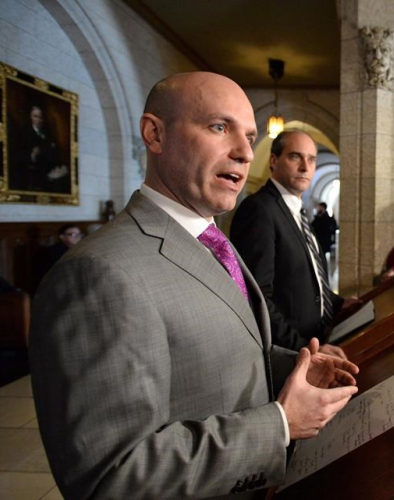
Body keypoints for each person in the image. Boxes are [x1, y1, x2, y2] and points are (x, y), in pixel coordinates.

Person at [29, 72, 359, 500]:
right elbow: (112, 476)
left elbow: (212, 351)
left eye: (250, 136)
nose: (244, 153)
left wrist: (290, 367)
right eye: (219, 128)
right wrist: (279, 424)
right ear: (155, 134)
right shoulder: (97, 273)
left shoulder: (211, 238)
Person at [231, 131, 356, 357]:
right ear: (273, 160)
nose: (305, 167)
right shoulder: (260, 210)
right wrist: (302, 348)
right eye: (295, 157)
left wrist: (339, 303)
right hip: (286, 353)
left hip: (315, 338)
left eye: (311, 159)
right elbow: (256, 296)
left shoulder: (297, 211)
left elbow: (300, 278)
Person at [10, 105, 69, 193]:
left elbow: (53, 149)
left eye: (40, 117)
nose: (38, 120)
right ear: (31, 117)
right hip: (33, 170)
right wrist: (32, 154)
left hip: (49, 167)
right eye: (35, 116)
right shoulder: (24, 132)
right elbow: (19, 154)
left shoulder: (47, 133)